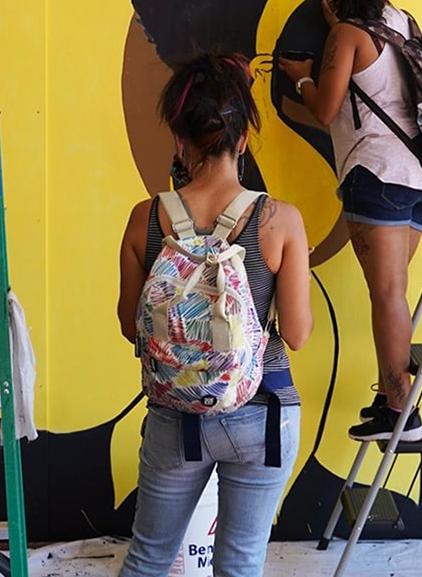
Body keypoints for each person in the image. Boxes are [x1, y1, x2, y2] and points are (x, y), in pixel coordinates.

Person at [116, 52, 313, 577]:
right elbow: (296, 334)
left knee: (148, 560)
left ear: (179, 139)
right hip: (263, 412)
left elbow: (129, 326)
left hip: (175, 416)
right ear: (242, 139)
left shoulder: (144, 219)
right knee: (240, 565)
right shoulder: (280, 221)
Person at [276, 0, 422, 443]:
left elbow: (326, 109)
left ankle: (401, 411)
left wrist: (303, 77)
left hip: (379, 177)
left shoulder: (347, 34)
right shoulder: (403, 21)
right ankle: (392, 399)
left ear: (329, 1)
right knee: (394, 291)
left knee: (387, 293)